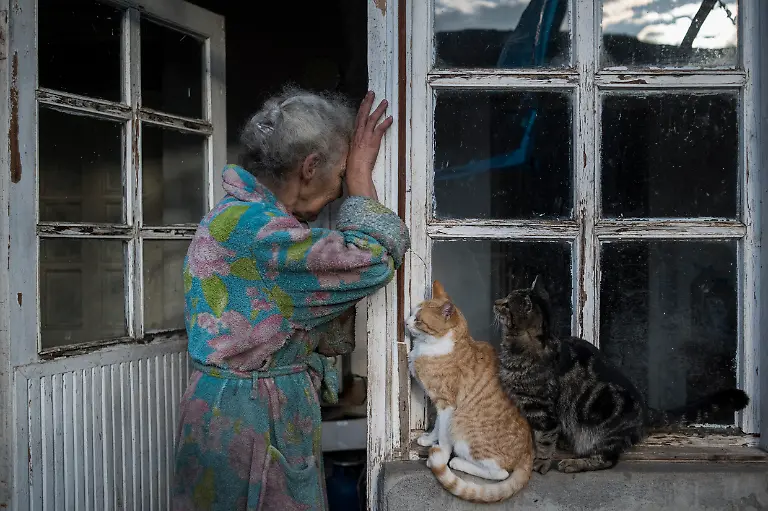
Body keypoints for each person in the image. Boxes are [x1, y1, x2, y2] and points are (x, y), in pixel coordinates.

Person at [172, 87, 410, 511]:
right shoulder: (264, 236)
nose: (337, 194)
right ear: (310, 166)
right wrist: (361, 178)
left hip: (225, 413)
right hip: (251, 421)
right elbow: (375, 257)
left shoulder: (234, 217)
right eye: (338, 177)